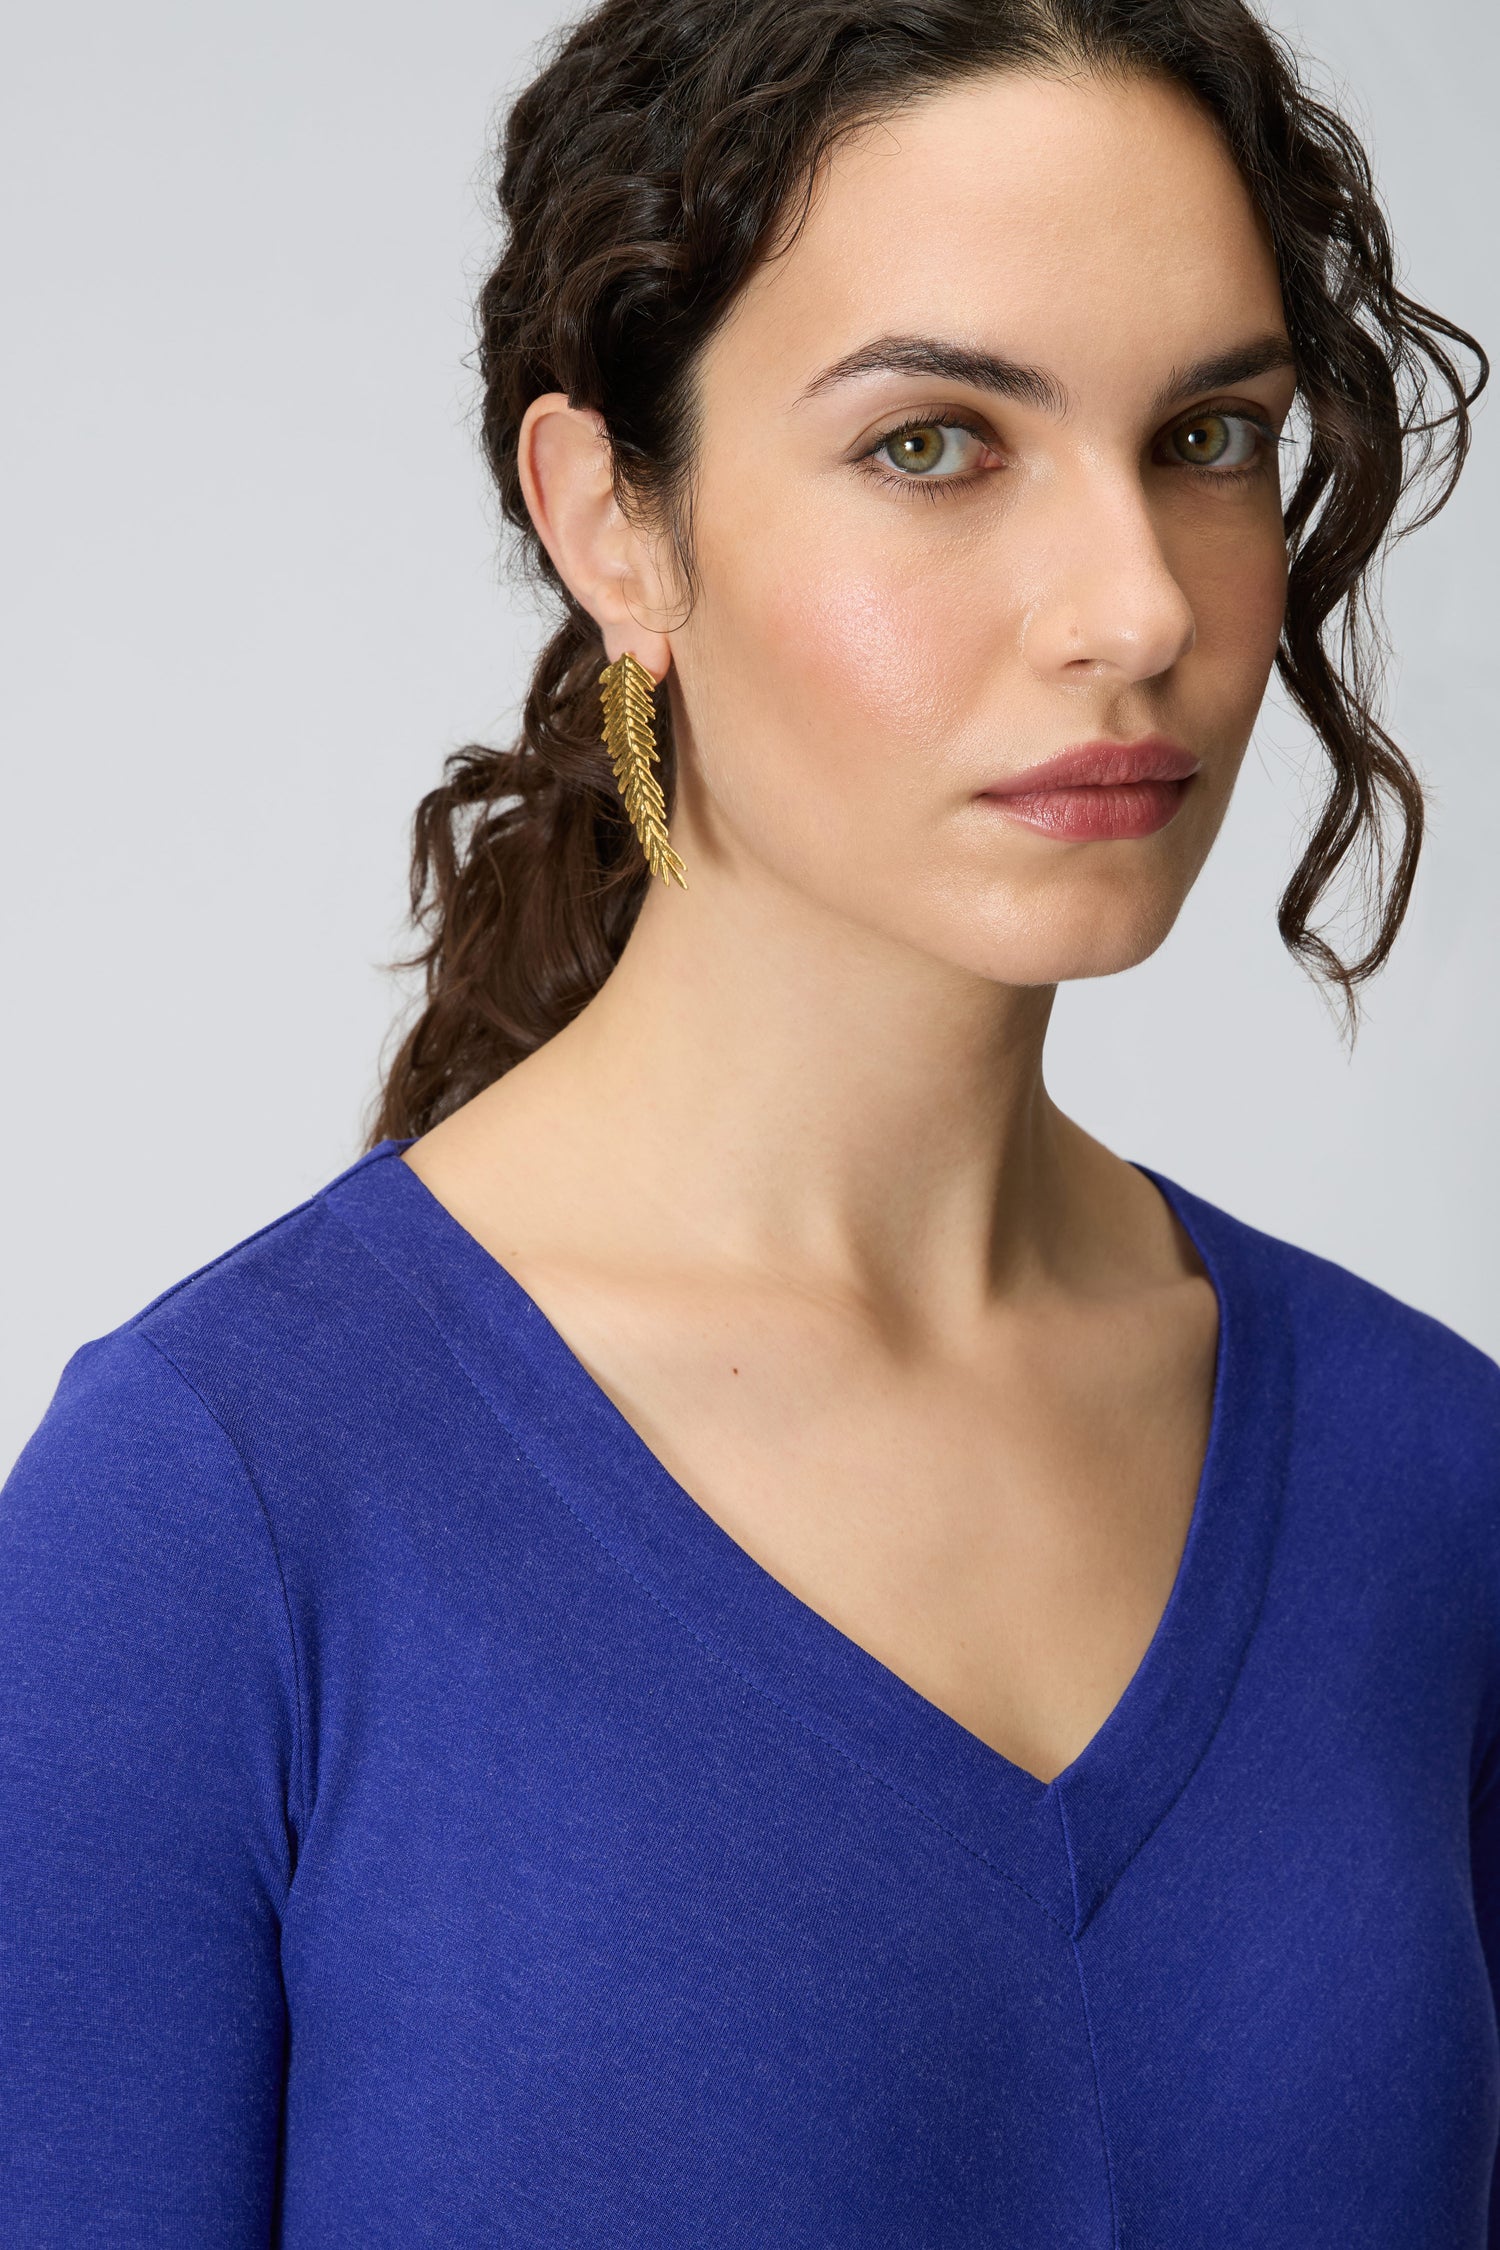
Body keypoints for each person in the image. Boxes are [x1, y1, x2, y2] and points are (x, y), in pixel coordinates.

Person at [1, 0, 1494, 2240]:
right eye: (934, 445)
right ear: (614, 514)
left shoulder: (1433, 1483)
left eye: (1206, 435)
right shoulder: (214, 1519)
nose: (1138, 606)